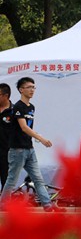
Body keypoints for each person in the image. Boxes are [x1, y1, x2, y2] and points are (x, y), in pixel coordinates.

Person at [0, 77, 56, 211]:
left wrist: (35, 138)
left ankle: (48, 205)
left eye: (33, 87)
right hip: (17, 150)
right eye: (29, 87)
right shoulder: (18, 107)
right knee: (11, 179)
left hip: (29, 148)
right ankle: (2, 204)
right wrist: (41, 138)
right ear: (21, 90)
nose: (32, 90)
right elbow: (24, 127)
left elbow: (28, 128)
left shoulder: (31, 107)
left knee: (38, 179)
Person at [0, 83, 12, 186]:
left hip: (6, 153)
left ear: (5, 96)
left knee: (6, 181)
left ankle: (5, 201)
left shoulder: (14, 112)